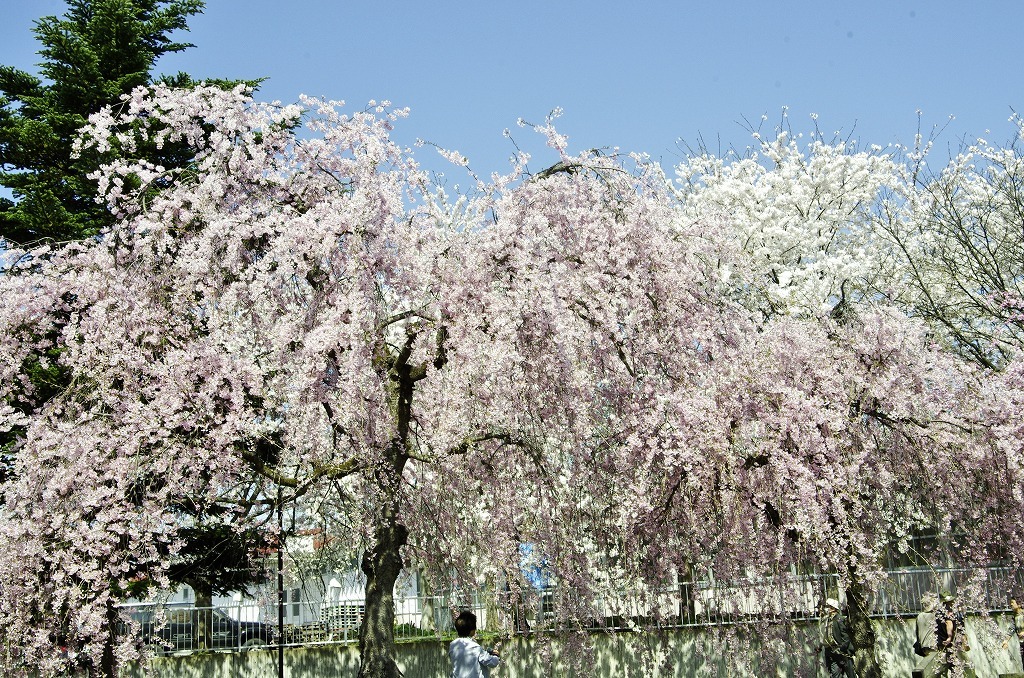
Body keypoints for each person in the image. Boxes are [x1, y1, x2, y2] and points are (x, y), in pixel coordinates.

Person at [449, 610, 501, 678]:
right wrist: (496, 655)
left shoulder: (453, 645)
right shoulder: (475, 647)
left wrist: (486, 652)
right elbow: (492, 662)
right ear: (472, 630)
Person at [935, 592, 975, 678]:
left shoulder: (938, 612)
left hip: (942, 645)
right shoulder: (953, 612)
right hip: (953, 644)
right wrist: (950, 637)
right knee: (962, 667)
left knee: (943, 670)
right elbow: (950, 624)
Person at [818, 598, 856, 678]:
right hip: (832, 652)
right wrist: (820, 647)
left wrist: (841, 649)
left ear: (833, 608)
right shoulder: (826, 620)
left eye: (827, 606)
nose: (825, 609)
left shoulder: (840, 619)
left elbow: (846, 637)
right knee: (835, 675)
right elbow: (824, 635)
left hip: (843, 653)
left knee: (850, 674)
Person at [913, 593, 938, 678]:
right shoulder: (934, 615)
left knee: (930, 668)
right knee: (937, 670)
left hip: (924, 646)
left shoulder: (919, 616)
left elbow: (917, 632)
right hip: (934, 645)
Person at [1010, 597, 1024, 670]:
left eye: (1012, 602)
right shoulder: (1014, 616)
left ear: (1018, 604)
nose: (1011, 605)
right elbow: (1012, 629)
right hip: (1022, 643)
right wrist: (1006, 640)